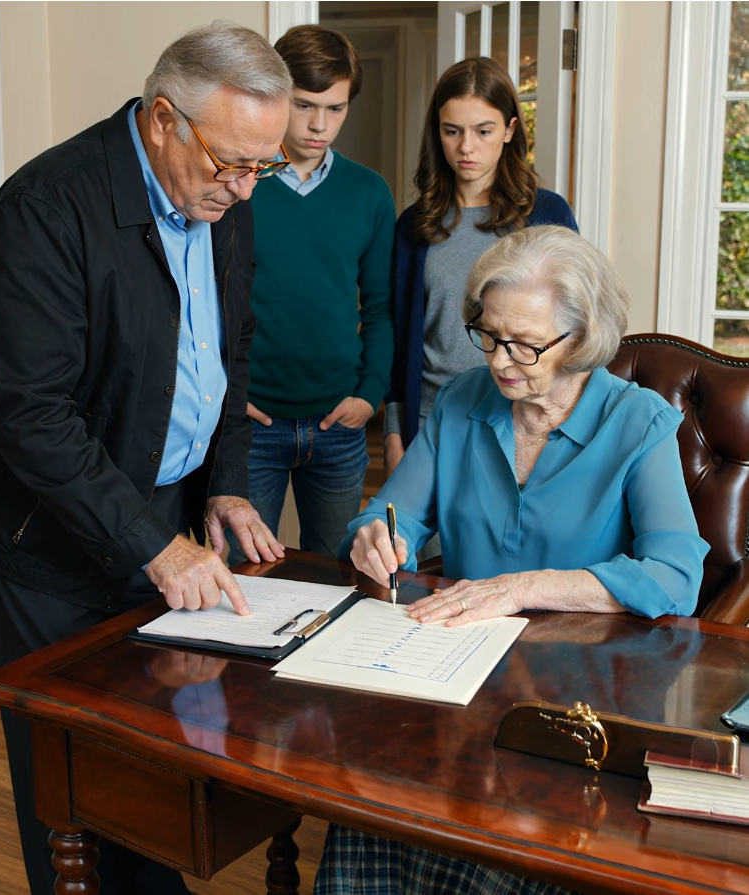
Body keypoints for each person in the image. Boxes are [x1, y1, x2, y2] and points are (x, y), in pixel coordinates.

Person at [0, 22, 293, 895]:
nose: (246, 189)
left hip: (163, 518)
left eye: (265, 167)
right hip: (50, 544)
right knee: (71, 786)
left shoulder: (226, 201)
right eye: (231, 163)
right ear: (162, 119)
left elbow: (230, 356)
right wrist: (158, 542)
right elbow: (29, 415)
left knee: (155, 759)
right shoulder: (45, 207)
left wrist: (222, 486)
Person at [315, 225, 709, 895]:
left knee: (510, 842)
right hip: (450, 682)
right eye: (489, 335)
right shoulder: (464, 401)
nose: (500, 361)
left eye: (525, 343)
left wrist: (520, 587)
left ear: (583, 340)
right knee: (365, 801)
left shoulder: (638, 422)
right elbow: (395, 512)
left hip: (575, 703)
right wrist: (373, 535)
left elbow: (678, 576)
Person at [227, 24, 396, 563]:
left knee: (341, 576)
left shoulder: (368, 193)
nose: (320, 125)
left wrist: (369, 394)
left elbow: (382, 307)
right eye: (304, 105)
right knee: (245, 581)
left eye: (336, 108)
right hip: (253, 426)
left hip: (339, 425)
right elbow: (201, 298)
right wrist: (230, 393)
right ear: (275, 96)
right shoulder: (236, 182)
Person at [384, 56, 578, 479]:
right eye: (451, 131)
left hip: (524, 417)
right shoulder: (414, 226)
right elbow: (399, 334)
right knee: (418, 544)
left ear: (509, 130)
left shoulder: (547, 213)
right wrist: (394, 432)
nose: (466, 147)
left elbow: (575, 325)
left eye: (483, 131)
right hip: (433, 418)